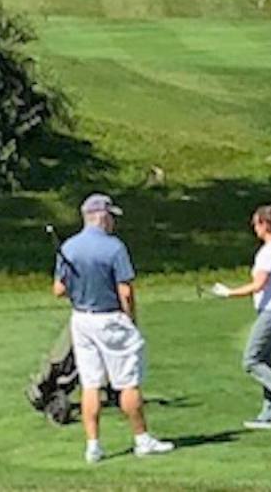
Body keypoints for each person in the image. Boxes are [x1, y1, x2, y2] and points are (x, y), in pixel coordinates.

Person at [54, 193, 174, 465]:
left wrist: (77, 282)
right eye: (111, 217)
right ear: (101, 217)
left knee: (90, 384)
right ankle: (142, 439)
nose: (113, 223)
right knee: (128, 382)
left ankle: (93, 446)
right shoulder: (114, 247)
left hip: (81, 319)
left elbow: (59, 290)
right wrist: (131, 320)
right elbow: (126, 291)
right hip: (111, 318)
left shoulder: (69, 248)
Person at [208, 204, 271, 428]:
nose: (254, 228)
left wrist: (228, 292)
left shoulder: (267, 252)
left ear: (264, 224)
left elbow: (258, 284)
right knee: (267, 361)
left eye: (255, 224)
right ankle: (269, 410)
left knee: (251, 360)